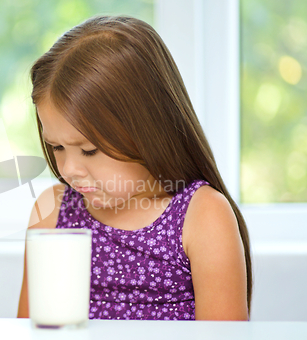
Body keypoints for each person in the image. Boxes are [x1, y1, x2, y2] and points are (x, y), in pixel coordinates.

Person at [17, 15, 251, 321]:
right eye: (57, 147)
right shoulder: (52, 212)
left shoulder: (203, 216)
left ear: (148, 130)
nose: (69, 169)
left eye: (89, 150)